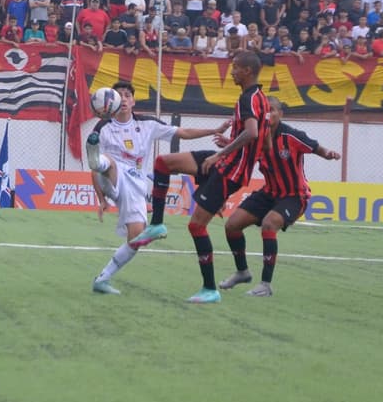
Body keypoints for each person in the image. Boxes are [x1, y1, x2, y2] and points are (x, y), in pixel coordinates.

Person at [131, 52, 271, 303]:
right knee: (164, 162)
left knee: (196, 225)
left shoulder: (249, 98)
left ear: (247, 71)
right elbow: (260, 138)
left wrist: (221, 155)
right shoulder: (259, 97)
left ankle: (210, 289)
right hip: (228, 161)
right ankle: (157, 224)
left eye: (235, 68)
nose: (231, 72)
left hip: (231, 169)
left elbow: (251, 133)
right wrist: (230, 145)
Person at [88, 81, 230, 295]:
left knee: (135, 238)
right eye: (119, 95)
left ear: (133, 101)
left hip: (135, 186)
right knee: (104, 161)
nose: (124, 98)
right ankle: (97, 159)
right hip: (111, 175)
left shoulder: (147, 124)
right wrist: (101, 199)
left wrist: (215, 129)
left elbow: (184, 132)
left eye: (127, 95)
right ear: (111, 102)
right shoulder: (103, 128)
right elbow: (94, 173)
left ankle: (102, 279)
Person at [220, 97, 341, 296]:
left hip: (294, 196)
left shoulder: (292, 136)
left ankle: (265, 285)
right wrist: (230, 144)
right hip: (269, 192)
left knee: (269, 223)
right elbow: (240, 159)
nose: (269, 114)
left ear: (280, 114)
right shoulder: (255, 136)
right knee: (232, 225)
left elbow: (315, 147)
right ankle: (242, 272)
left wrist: (328, 153)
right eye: (266, 110)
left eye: (273, 110)